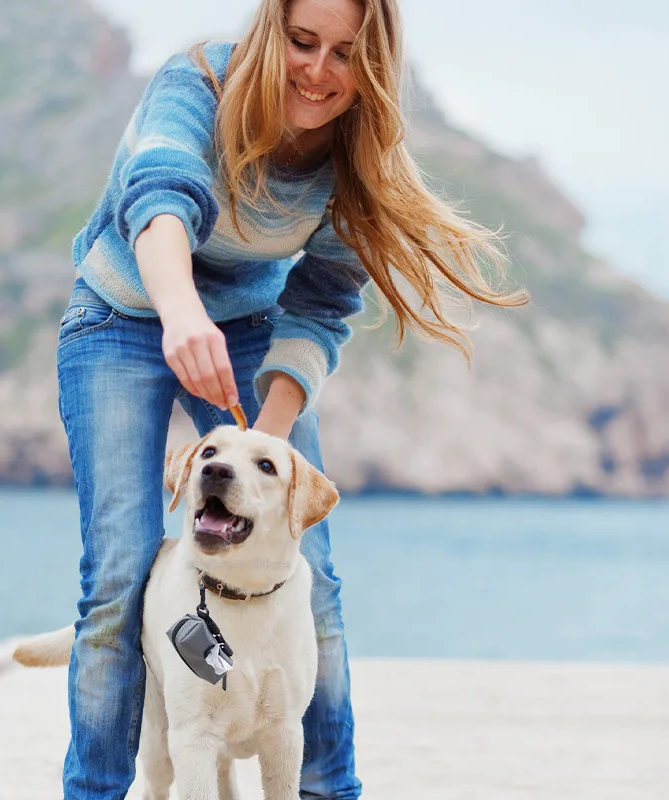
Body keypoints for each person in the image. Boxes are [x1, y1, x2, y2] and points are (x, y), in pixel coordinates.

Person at [57, 0, 528, 797]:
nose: (317, 70)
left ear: (372, 64)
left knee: (315, 567)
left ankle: (328, 788)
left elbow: (323, 300)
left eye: (344, 54)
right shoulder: (199, 80)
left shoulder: (356, 151)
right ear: (270, 32)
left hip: (246, 326)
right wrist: (179, 313)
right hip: (121, 315)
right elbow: (160, 197)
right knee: (119, 577)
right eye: (302, 42)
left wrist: (264, 450)